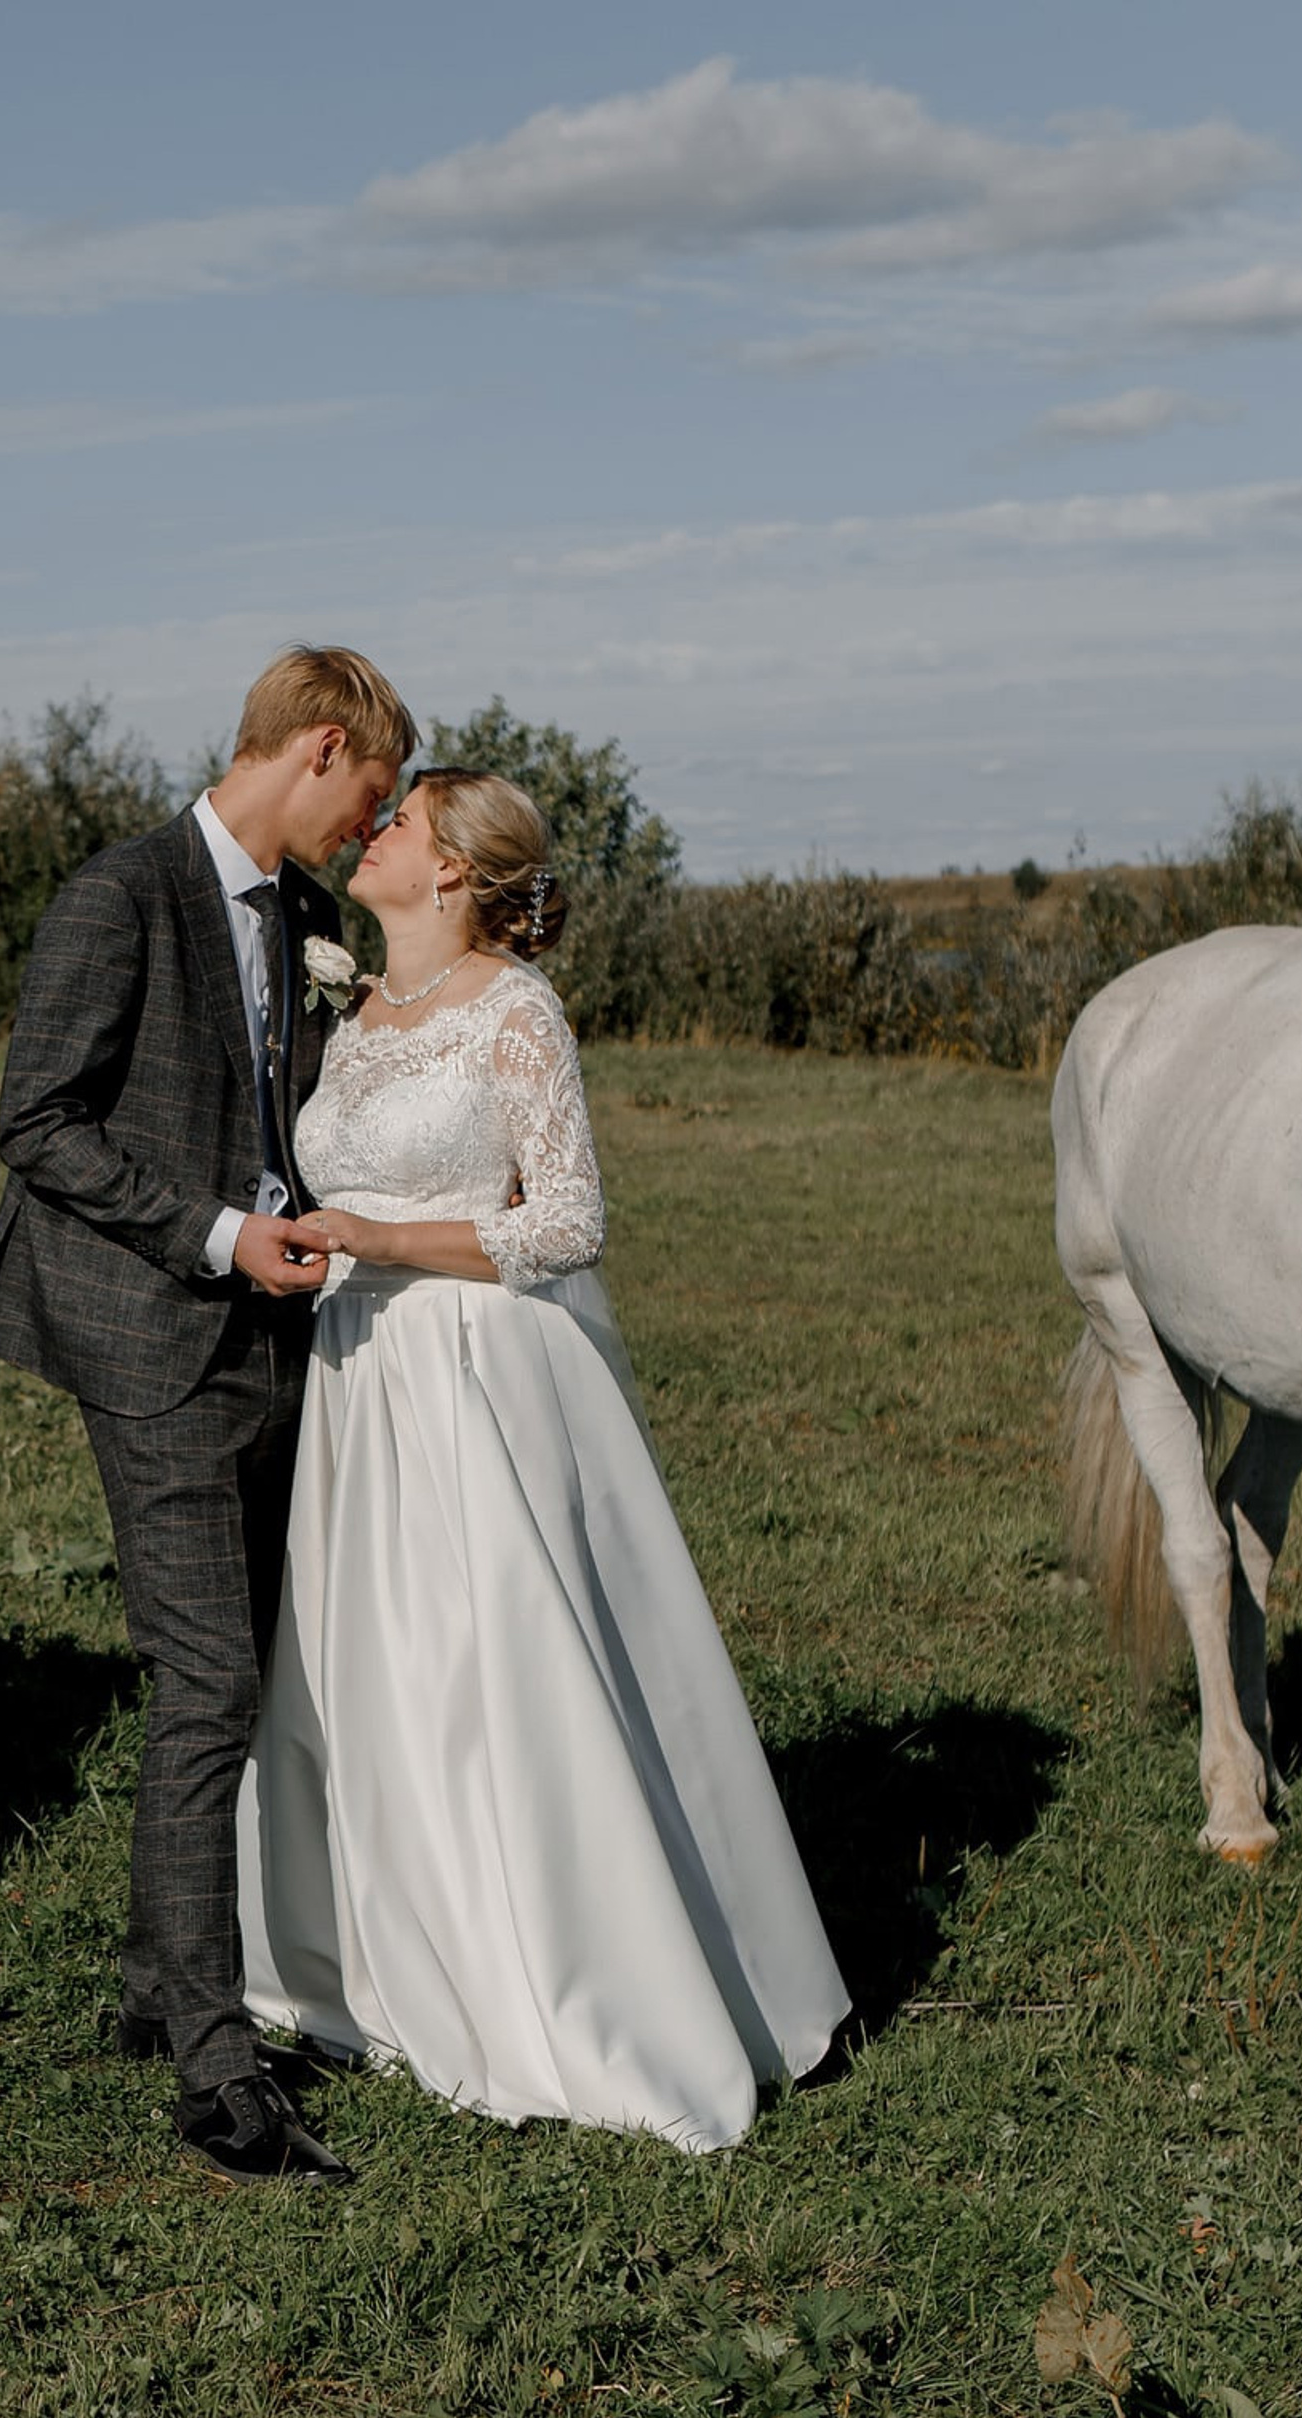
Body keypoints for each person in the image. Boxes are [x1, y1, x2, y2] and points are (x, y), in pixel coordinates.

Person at [236, 769, 852, 2152]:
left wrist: (382, 1240)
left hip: (470, 1374)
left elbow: (569, 1221)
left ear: (453, 868)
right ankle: (394, 1956)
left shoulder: (515, 1010)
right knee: (372, 1666)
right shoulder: (361, 1013)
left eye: (396, 820)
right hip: (357, 1379)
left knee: (489, 1670)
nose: (369, 832)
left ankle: (562, 1975)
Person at [0, 644, 416, 2185]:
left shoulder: (300, 920)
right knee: (210, 1675)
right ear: (316, 746)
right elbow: (36, 1121)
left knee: (239, 1665)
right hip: (149, 1332)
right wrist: (224, 1234)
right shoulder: (119, 896)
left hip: (274, 1336)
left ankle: (166, 1983)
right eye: (369, 790)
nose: (374, 825)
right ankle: (219, 2076)